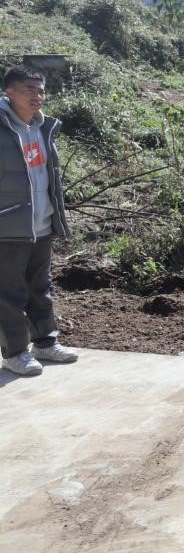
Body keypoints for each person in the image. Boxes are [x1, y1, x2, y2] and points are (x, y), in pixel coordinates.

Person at [0, 67, 75, 376]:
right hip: (8, 227)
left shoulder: (43, 127)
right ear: (9, 92)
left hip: (41, 223)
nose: (37, 96)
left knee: (40, 289)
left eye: (41, 91)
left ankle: (45, 343)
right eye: (29, 89)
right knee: (9, 295)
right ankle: (15, 353)